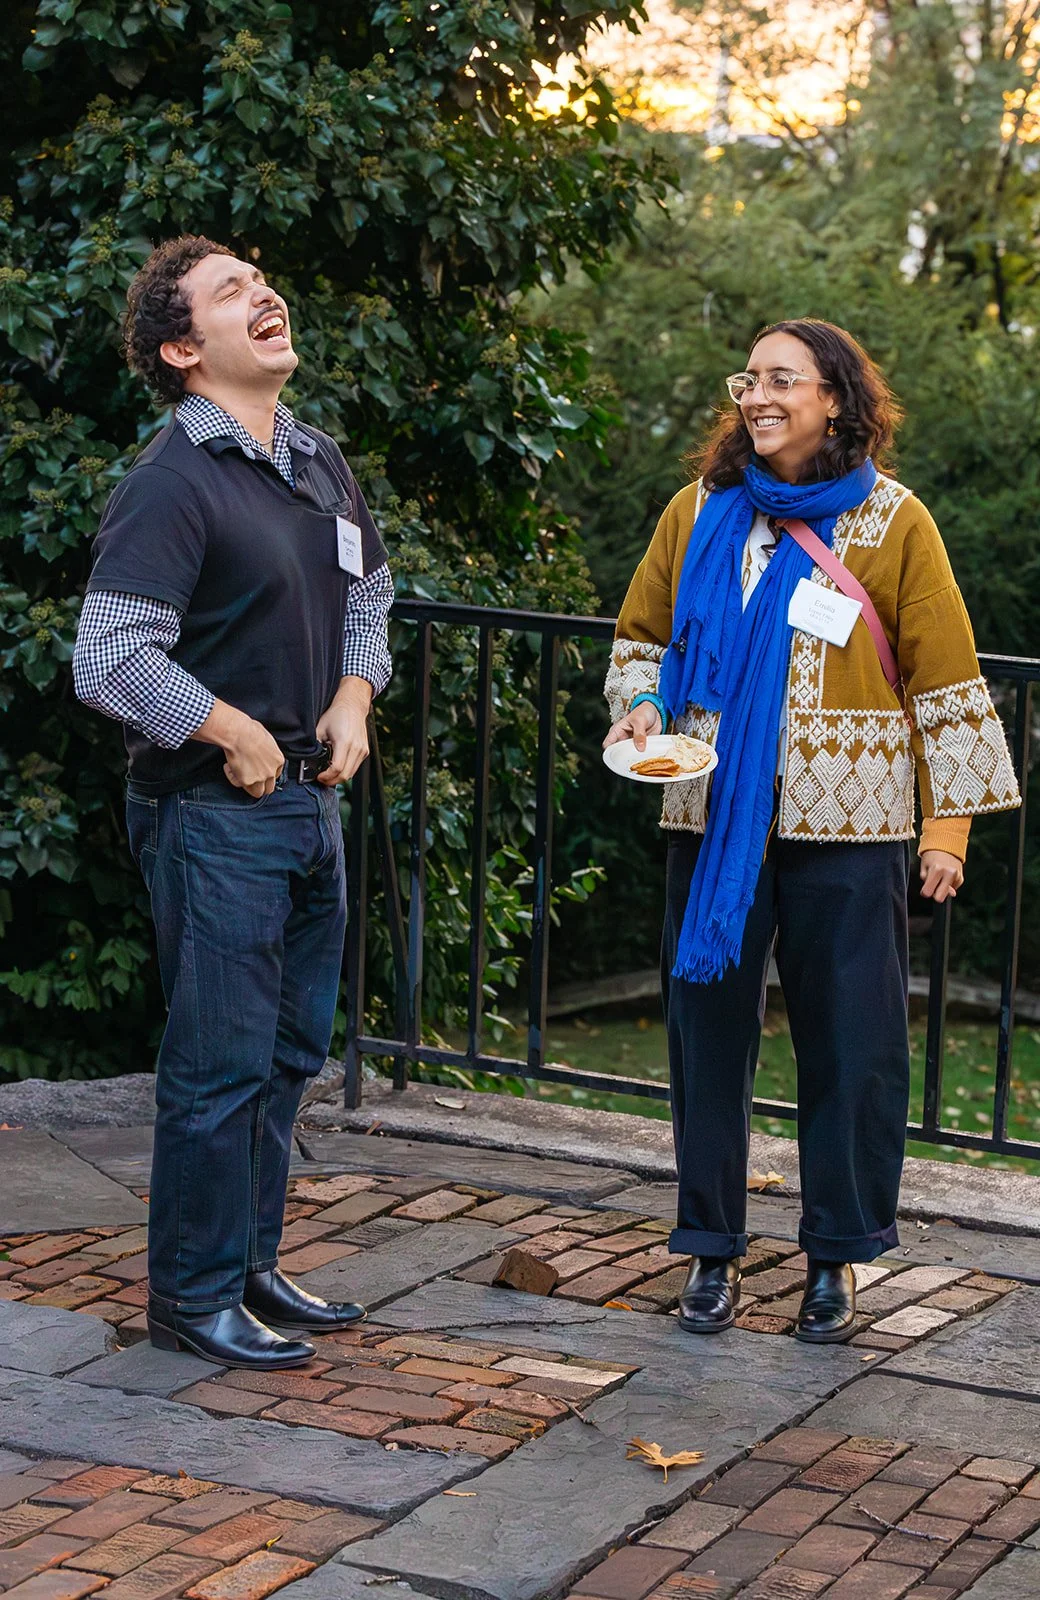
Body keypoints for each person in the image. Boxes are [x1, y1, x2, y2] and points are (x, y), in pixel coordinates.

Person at [604, 319, 1020, 1343]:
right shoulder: (697, 511)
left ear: (832, 397)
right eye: (748, 378)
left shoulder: (892, 521)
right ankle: (708, 1249)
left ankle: (834, 1259)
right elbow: (639, 639)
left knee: (852, 1047)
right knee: (706, 1040)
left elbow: (944, 680)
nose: (756, 394)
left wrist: (946, 831)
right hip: (707, 811)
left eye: (780, 379)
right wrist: (641, 704)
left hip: (855, 826)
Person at [73, 235, 393, 1370]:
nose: (264, 292)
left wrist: (353, 699)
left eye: (263, 279)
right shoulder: (171, 480)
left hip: (308, 805)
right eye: (229, 292)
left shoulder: (315, 459)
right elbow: (107, 656)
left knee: (289, 1051)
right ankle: (191, 1295)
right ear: (182, 347)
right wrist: (231, 728)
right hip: (209, 814)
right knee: (217, 1063)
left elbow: (369, 593)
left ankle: (250, 1265)